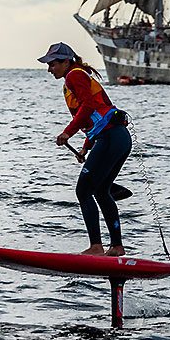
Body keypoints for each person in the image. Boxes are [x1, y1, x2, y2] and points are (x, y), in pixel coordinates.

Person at [37, 42, 132, 257]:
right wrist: (85, 148)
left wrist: (67, 133)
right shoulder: (75, 77)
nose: (49, 69)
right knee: (100, 190)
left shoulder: (74, 75)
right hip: (116, 138)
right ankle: (116, 247)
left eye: (52, 64)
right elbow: (95, 116)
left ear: (65, 62)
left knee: (83, 190)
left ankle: (96, 247)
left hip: (111, 138)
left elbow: (88, 106)